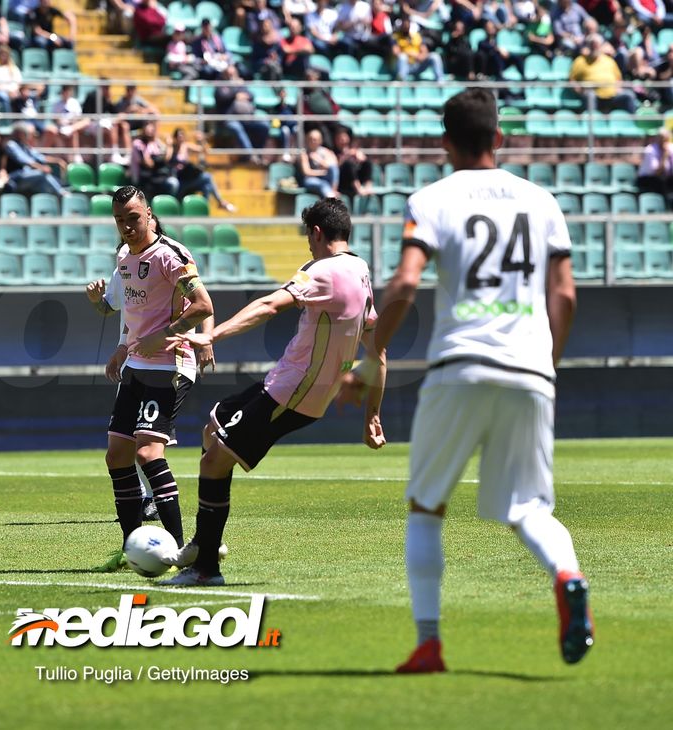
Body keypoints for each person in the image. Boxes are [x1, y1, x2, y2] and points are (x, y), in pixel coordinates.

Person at [345, 88, 591, 673]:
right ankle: (569, 576)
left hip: (459, 365)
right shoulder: (542, 201)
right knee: (529, 508)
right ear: (499, 138)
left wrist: (370, 357)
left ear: (445, 142)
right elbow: (565, 294)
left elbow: (405, 285)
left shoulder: (430, 198)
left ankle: (429, 644)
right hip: (530, 369)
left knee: (427, 507)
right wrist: (546, 364)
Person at [158, 198, 385, 586]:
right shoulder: (361, 270)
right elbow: (378, 352)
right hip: (288, 385)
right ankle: (204, 541)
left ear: (316, 233)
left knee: (213, 462)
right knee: (213, 427)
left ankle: (206, 568)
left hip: (293, 392)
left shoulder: (323, 271)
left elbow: (268, 305)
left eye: (307, 237)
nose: (308, 246)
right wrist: (373, 415)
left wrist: (213, 333)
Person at [84, 185, 214, 572]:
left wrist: (169, 332)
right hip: (137, 367)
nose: (126, 226)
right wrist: (121, 343)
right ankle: (131, 549)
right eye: (120, 220)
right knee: (117, 455)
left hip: (169, 364)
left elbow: (204, 305)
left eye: (133, 218)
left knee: (147, 453)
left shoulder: (171, 255)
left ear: (149, 214)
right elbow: (125, 312)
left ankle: (178, 553)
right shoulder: (124, 256)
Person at [168, 127, 237, 212]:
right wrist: (170, 146)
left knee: (207, 187)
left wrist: (202, 140)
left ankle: (203, 211)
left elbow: (205, 151)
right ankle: (220, 202)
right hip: (179, 179)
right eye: (178, 136)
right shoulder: (171, 148)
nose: (180, 138)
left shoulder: (186, 146)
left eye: (182, 135)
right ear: (175, 137)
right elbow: (167, 159)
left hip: (187, 177)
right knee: (207, 177)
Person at [568, 33, 638, 113]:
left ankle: (631, 123)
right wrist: (580, 91)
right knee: (590, 96)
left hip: (612, 96)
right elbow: (572, 80)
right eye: (592, 44)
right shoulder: (580, 61)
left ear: (600, 46)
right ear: (588, 46)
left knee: (629, 95)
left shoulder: (609, 60)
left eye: (596, 45)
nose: (594, 47)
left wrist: (618, 88)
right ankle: (592, 124)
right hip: (593, 96)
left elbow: (618, 78)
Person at [5, 122, 68, 196]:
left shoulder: (25, 146)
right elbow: (24, 160)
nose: (27, 136)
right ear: (19, 134)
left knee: (43, 182)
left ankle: (51, 201)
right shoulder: (11, 145)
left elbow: (40, 157)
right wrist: (41, 168)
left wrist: (58, 161)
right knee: (42, 173)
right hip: (15, 178)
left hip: (28, 176)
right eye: (25, 134)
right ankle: (62, 194)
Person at [298, 128, 339, 198]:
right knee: (323, 184)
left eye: (315, 139)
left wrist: (319, 160)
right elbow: (306, 172)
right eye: (311, 139)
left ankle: (333, 190)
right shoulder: (304, 154)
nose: (313, 141)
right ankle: (331, 199)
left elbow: (332, 167)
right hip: (310, 180)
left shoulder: (325, 151)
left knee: (334, 168)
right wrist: (322, 172)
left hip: (325, 178)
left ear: (320, 140)